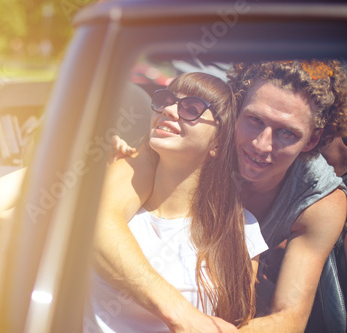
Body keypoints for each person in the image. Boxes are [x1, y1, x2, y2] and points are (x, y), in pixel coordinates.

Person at [94, 59, 347, 332]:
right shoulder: (178, 141)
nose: (262, 145)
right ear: (233, 113)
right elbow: (98, 224)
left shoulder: (320, 202)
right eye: (254, 120)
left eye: (287, 133)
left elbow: (290, 317)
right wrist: (182, 316)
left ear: (311, 140)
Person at [85, 72, 267, 332]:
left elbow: (234, 324)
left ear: (217, 141)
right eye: (164, 100)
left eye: (191, 108)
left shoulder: (242, 228)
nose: (169, 110)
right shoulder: (119, 213)